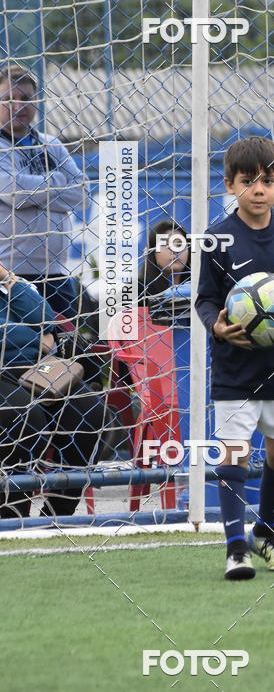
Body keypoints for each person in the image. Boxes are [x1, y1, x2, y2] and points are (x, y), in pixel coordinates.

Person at [195, 136, 274, 580]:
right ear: (230, 185)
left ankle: (265, 531)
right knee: (234, 455)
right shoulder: (217, 238)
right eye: (248, 181)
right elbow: (206, 299)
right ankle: (235, 547)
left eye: (268, 181)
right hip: (235, 368)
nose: (258, 190)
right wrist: (216, 325)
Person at [0, 260, 107, 518]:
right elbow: (35, 335)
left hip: (38, 369)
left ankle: (57, 516)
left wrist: (6, 278)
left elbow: (47, 320)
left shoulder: (12, 285)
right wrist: (33, 336)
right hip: (4, 370)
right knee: (24, 418)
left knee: (90, 412)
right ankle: (11, 517)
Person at [0, 62, 87, 318]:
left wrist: (32, 192)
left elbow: (81, 195)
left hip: (57, 272)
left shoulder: (51, 143)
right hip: (10, 272)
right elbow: (12, 192)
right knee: (19, 351)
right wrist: (57, 181)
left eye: (26, 98)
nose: (18, 106)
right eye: (8, 99)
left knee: (63, 349)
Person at [138, 219, 191, 302]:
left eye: (179, 244)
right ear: (153, 252)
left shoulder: (199, 287)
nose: (174, 250)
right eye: (165, 244)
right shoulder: (138, 290)